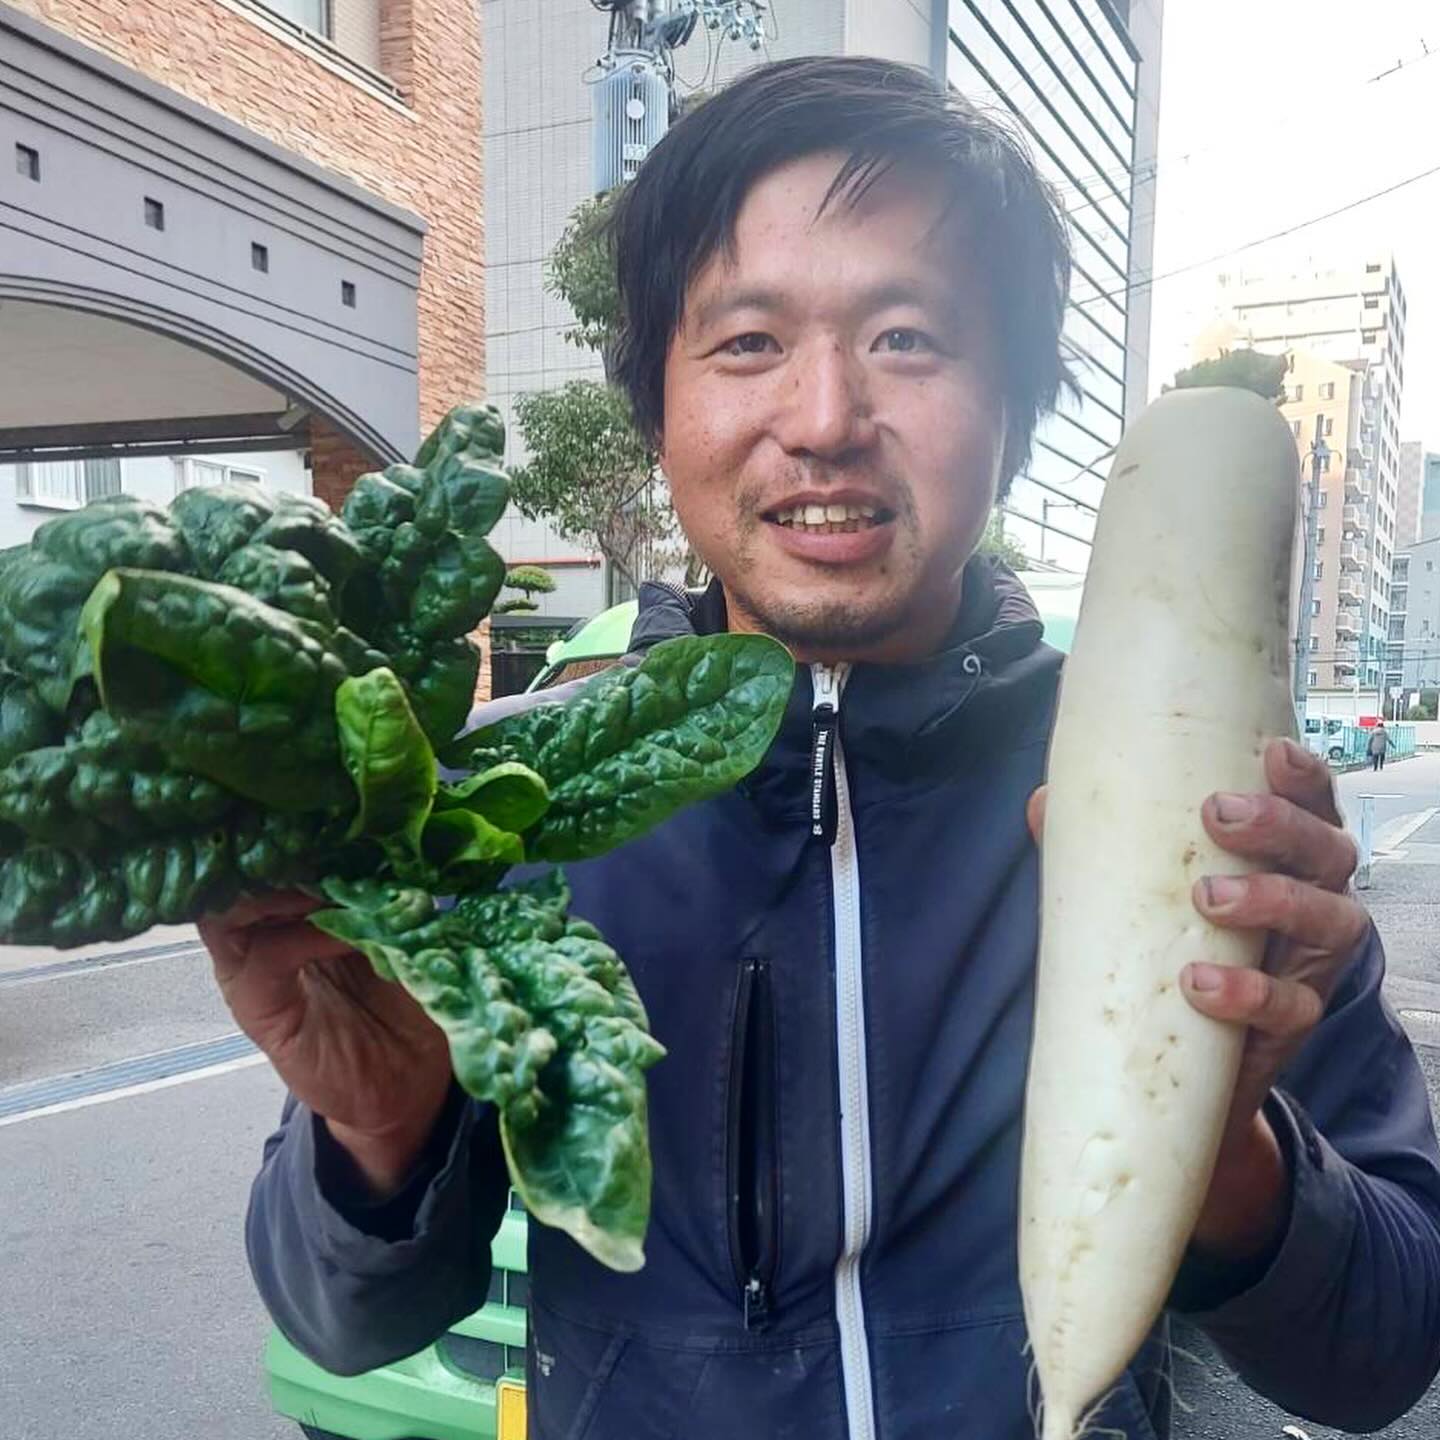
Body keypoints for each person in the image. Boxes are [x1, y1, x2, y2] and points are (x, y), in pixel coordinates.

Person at [208, 58, 1440, 1440]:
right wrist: (378, 1135)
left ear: (1016, 410)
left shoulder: (1193, 805)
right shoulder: (512, 806)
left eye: (907, 338)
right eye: (748, 342)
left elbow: (1387, 1349)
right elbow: (341, 1323)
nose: (825, 419)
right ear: (657, 405)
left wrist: (1222, 1153)